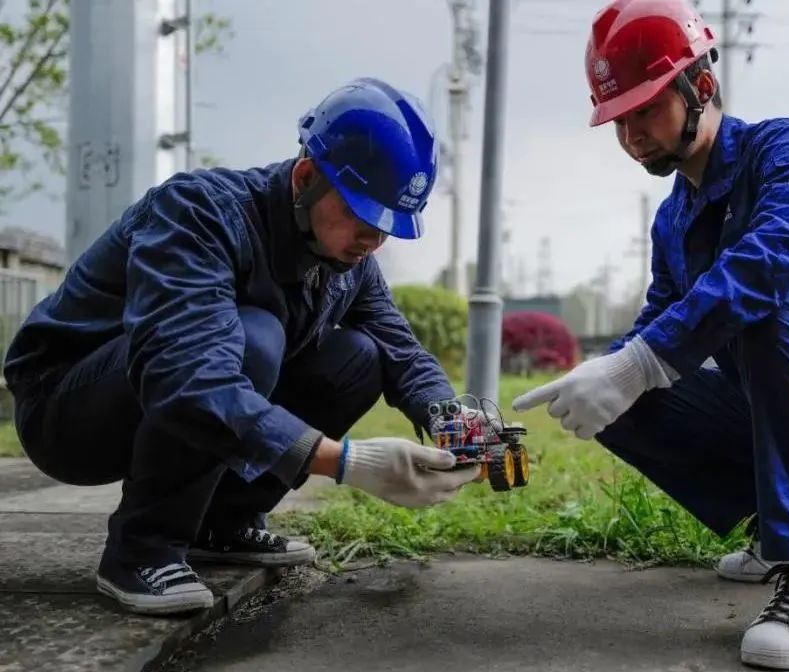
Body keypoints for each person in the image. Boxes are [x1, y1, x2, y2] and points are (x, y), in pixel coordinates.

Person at [512, 0, 789, 669]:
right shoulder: (675, 221)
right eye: (618, 118)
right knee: (622, 390)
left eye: (644, 107)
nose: (631, 134)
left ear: (704, 87)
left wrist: (640, 361)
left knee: (760, 301)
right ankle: (778, 522)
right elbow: (657, 331)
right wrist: (612, 373)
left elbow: (784, 253)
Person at [2, 77, 482, 616]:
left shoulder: (351, 264)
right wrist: (342, 461)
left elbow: (403, 354)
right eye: (363, 215)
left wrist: (457, 422)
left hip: (165, 390)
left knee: (360, 358)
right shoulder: (200, 213)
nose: (374, 239)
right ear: (306, 178)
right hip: (66, 407)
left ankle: (223, 522)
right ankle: (141, 551)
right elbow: (188, 376)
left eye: (388, 225)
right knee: (253, 337)